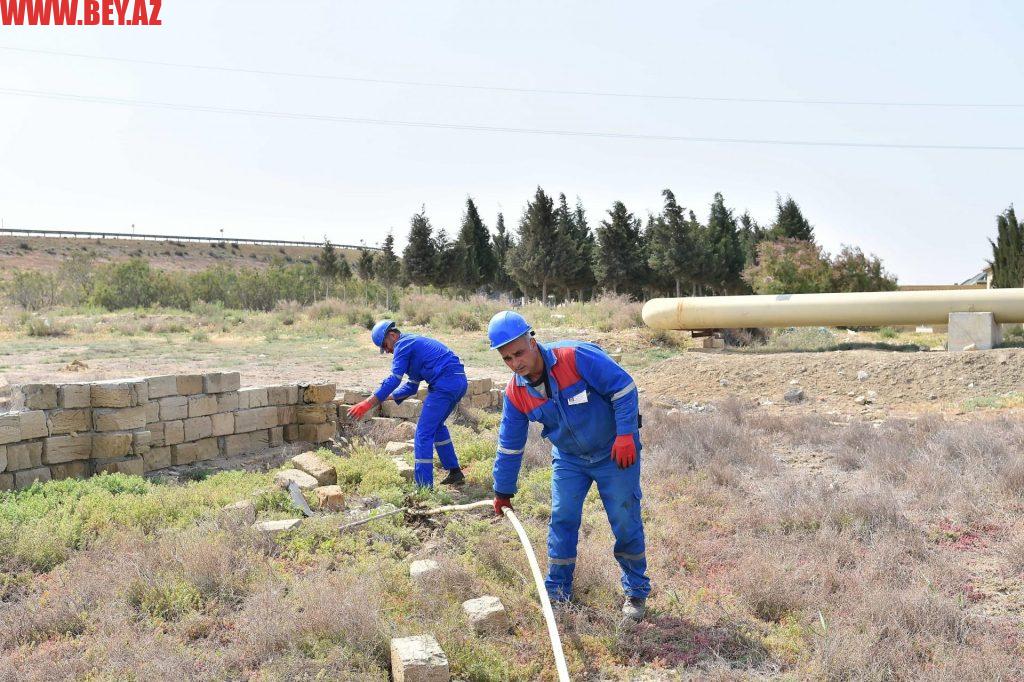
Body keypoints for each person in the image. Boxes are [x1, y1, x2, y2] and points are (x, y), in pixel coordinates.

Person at [487, 310, 651, 620]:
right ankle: (558, 591)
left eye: (519, 352)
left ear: (532, 341)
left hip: (615, 452)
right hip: (570, 460)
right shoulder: (516, 393)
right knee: (562, 519)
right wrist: (503, 490)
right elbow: (509, 445)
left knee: (624, 519)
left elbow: (624, 388)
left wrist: (627, 434)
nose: (516, 363)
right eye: (507, 358)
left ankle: (635, 592)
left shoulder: (575, 357)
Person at [348, 319, 467, 487]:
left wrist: (367, 404)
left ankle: (423, 486)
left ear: (392, 335)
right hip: (457, 382)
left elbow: (393, 380)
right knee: (437, 426)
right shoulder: (412, 346)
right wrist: (385, 398)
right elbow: (411, 386)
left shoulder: (403, 344)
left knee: (423, 433)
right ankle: (455, 472)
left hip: (445, 383)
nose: (387, 351)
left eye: (385, 345)